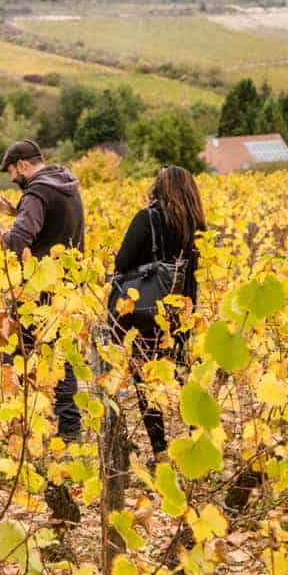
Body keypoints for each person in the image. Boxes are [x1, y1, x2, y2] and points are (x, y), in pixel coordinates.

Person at [0, 139, 85, 440]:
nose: (14, 180)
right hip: (67, 287)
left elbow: (15, 246)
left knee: (12, 352)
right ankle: (68, 431)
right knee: (61, 359)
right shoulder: (64, 181)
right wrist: (16, 211)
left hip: (38, 292)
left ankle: (12, 425)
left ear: (24, 165)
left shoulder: (37, 192)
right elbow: (54, 227)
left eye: (14, 173)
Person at [110, 165, 205, 463]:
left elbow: (123, 262)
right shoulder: (193, 225)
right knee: (183, 374)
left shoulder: (147, 218)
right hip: (181, 310)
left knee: (145, 376)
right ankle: (197, 442)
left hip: (144, 312)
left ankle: (161, 451)